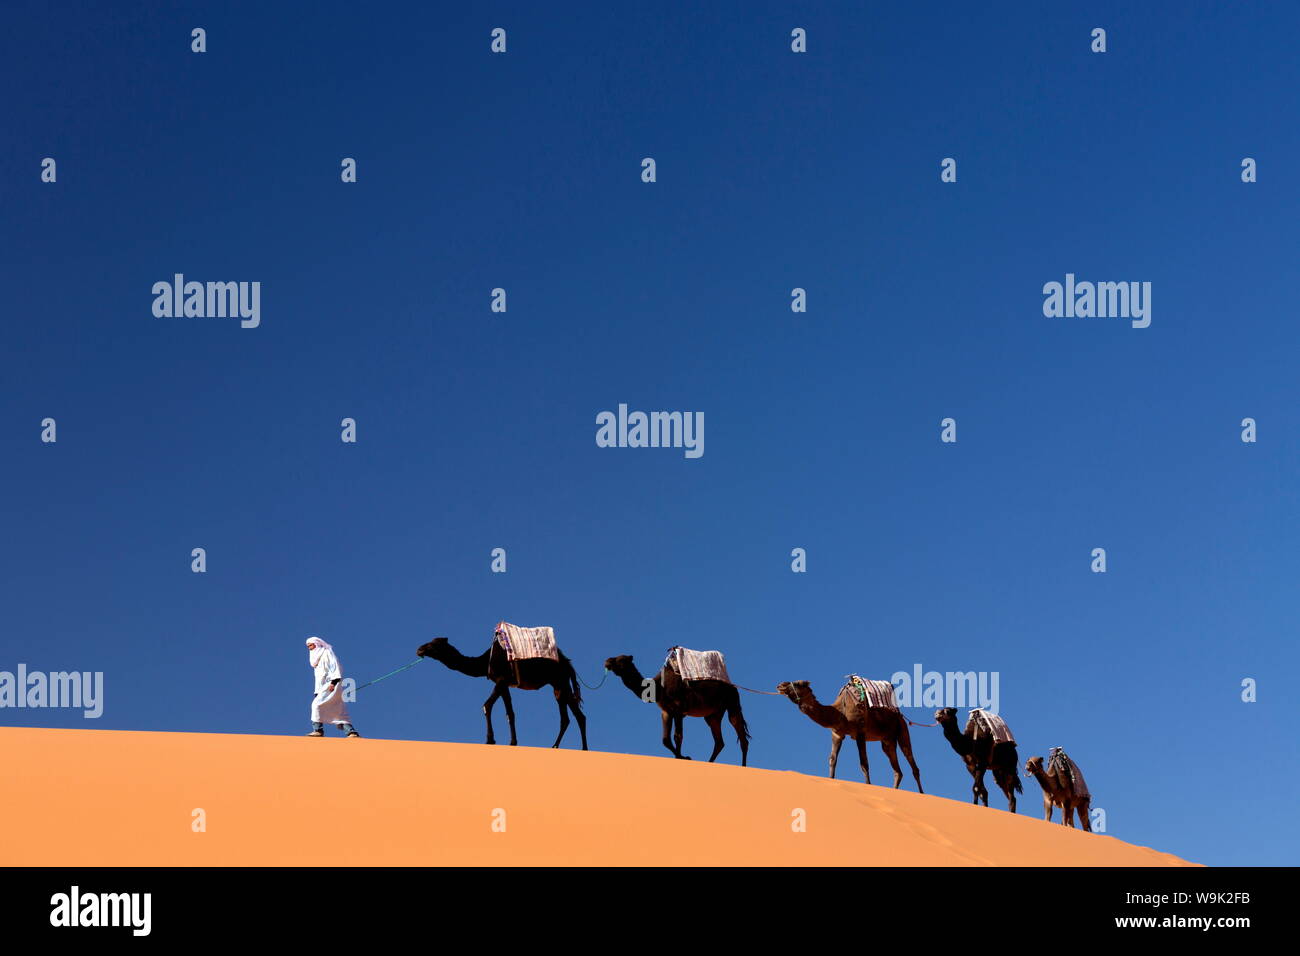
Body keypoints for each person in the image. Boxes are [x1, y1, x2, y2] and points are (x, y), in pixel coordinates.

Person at [305, 636, 359, 737]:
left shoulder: (326, 653)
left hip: (332, 684)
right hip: (323, 687)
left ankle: (318, 730)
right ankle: (351, 732)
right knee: (339, 709)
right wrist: (317, 692)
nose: (310, 648)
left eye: (311, 645)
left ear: (317, 644)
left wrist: (333, 683)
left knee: (316, 705)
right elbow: (319, 678)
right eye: (308, 646)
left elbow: (335, 667)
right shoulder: (316, 661)